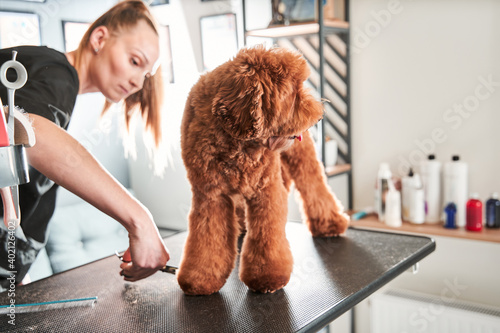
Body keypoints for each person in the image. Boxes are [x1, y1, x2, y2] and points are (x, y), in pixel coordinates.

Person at [0, 0, 170, 289]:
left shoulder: (56, 84)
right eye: (134, 61)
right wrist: (140, 220)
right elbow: (27, 133)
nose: (139, 83)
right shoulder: (57, 73)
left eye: (145, 74)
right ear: (99, 39)